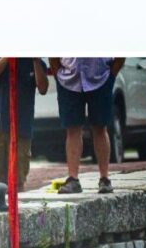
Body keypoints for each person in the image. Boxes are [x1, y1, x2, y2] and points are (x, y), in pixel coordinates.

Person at [48, 58, 124, 194]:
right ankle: (73, 178)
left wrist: (111, 74)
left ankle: (105, 178)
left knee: (100, 127)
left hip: (100, 77)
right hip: (68, 79)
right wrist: (59, 72)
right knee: (72, 128)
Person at [0, 59, 49, 191]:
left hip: (22, 128)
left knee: (18, 180)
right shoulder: (1, 56)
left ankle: (16, 209)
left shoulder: (37, 63)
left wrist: (35, 61)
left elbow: (43, 88)